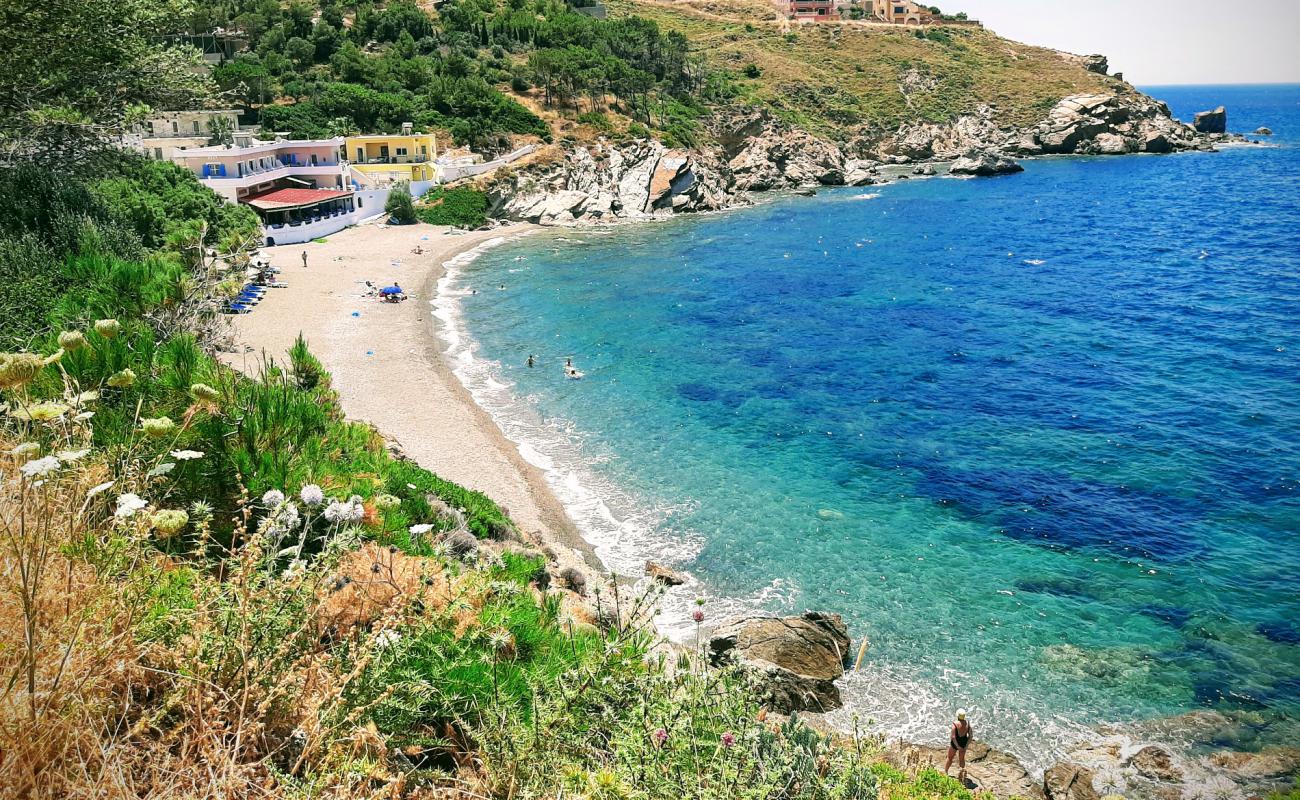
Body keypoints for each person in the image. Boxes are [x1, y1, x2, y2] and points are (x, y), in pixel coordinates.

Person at [945, 709, 972, 780]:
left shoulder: (955, 724)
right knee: (962, 759)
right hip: (963, 743)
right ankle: (962, 775)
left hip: (955, 743)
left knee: (950, 758)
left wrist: (957, 746)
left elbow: (953, 737)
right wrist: (966, 745)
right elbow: (970, 736)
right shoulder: (967, 724)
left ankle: (946, 772)